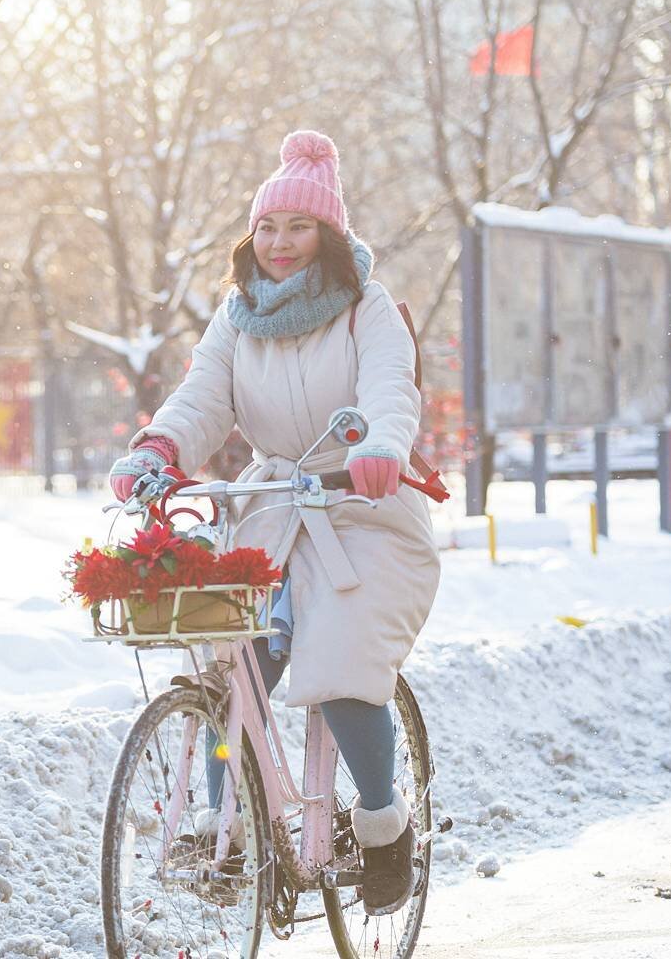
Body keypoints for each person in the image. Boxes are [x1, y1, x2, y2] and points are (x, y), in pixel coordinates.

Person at [108, 130, 441, 917]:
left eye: (298, 228)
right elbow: (201, 399)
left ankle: (384, 824)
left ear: (328, 235)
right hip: (270, 504)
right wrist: (159, 445)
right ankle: (233, 829)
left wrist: (384, 445)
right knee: (234, 663)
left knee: (340, 657)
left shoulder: (367, 308)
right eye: (268, 228)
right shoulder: (238, 313)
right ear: (249, 237)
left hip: (364, 504)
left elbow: (392, 388)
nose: (281, 243)